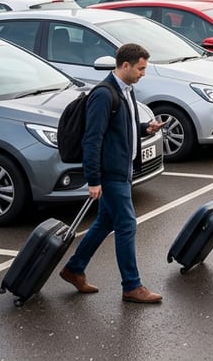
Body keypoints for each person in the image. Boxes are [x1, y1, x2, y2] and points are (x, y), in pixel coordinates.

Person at [60, 43, 164, 304]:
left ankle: (74, 269)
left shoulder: (126, 91)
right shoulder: (104, 94)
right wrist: (93, 179)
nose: (143, 73)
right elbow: (92, 139)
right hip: (111, 173)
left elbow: (121, 129)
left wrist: (144, 129)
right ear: (125, 66)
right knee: (127, 224)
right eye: (140, 69)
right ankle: (132, 285)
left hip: (124, 170)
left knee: (105, 222)